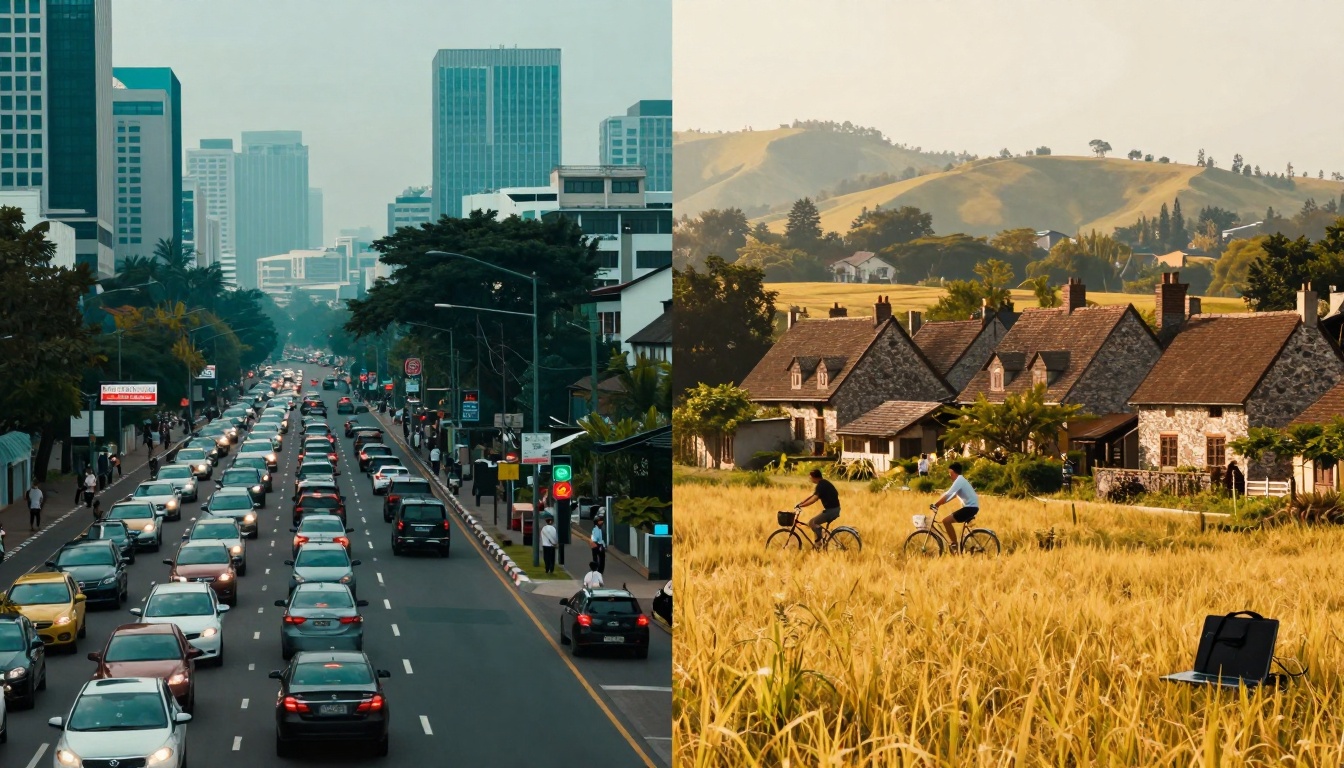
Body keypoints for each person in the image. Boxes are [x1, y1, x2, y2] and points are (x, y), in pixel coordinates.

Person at [931, 462, 979, 553]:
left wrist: (936, 504)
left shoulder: (959, 480)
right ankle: (963, 545)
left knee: (946, 521)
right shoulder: (961, 480)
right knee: (949, 523)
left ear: (954, 472)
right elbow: (951, 496)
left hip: (970, 508)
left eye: (950, 474)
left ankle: (955, 546)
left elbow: (948, 494)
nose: (950, 476)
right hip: (972, 508)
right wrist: (940, 503)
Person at [796, 468, 841, 547]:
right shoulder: (823, 483)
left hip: (831, 511)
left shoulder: (821, 485)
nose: (810, 479)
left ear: (814, 477)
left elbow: (814, 499)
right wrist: (801, 503)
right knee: (814, 523)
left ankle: (819, 538)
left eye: (810, 477)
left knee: (812, 523)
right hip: (833, 509)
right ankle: (818, 545)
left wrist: (802, 506)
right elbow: (812, 496)